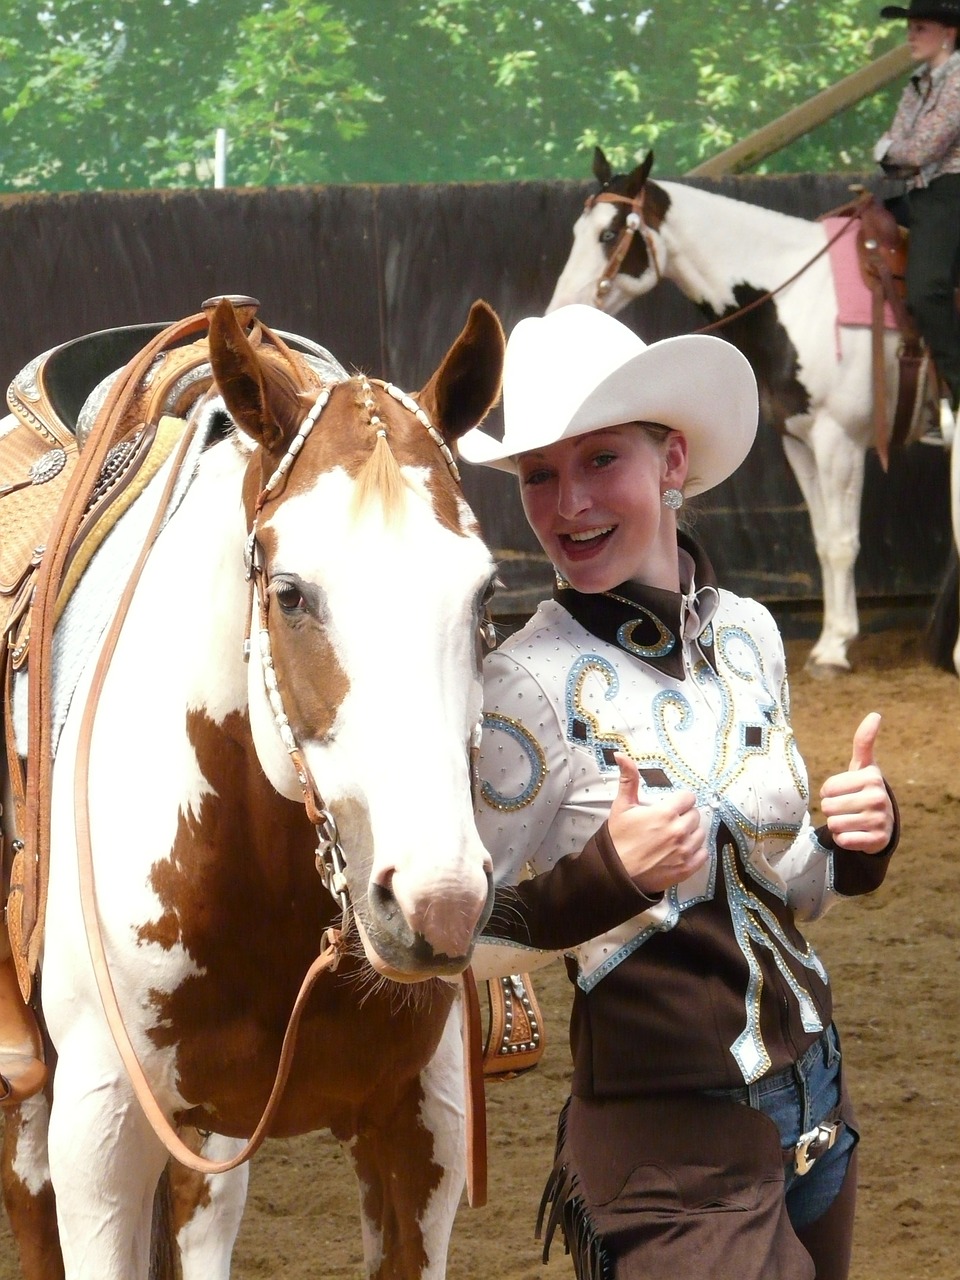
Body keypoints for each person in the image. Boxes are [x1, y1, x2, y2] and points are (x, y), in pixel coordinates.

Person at [460, 304, 898, 1280]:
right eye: (539, 473)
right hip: (670, 1155)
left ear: (673, 463)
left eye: (600, 459)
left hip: (821, 1109)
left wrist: (854, 842)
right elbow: (456, 939)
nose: (567, 502)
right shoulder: (521, 685)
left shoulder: (746, 629)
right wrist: (608, 875)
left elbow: (787, 881)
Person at [874, 0, 960, 443]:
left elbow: (917, 147)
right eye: (909, 27)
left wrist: (890, 151)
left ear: (948, 33)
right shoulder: (918, 84)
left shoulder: (959, 79)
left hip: (951, 191)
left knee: (927, 289)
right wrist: (896, 153)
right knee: (868, 233)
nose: (910, 35)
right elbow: (901, 148)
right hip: (922, 192)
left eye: (920, 27)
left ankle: (958, 392)